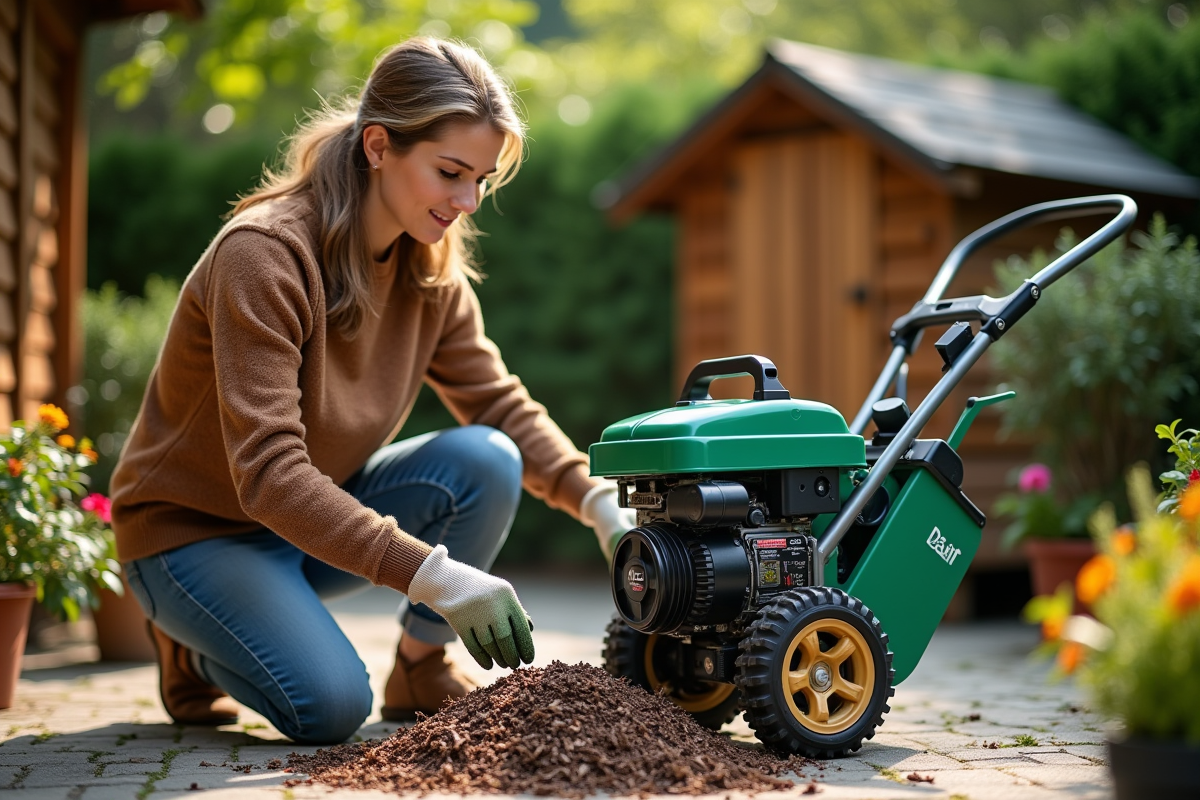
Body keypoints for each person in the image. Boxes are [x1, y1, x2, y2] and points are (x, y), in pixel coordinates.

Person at [110, 36, 635, 745]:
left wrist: (597, 502)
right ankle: (194, 650)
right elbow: (269, 476)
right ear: (380, 145)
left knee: (487, 457)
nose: (467, 201)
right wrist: (438, 577)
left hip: (305, 525)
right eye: (450, 172)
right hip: (193, 535)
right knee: (329, 706)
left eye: (480, 179)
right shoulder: (264, 256)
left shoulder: (429, 269)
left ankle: (419, 667)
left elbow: (497, 405)